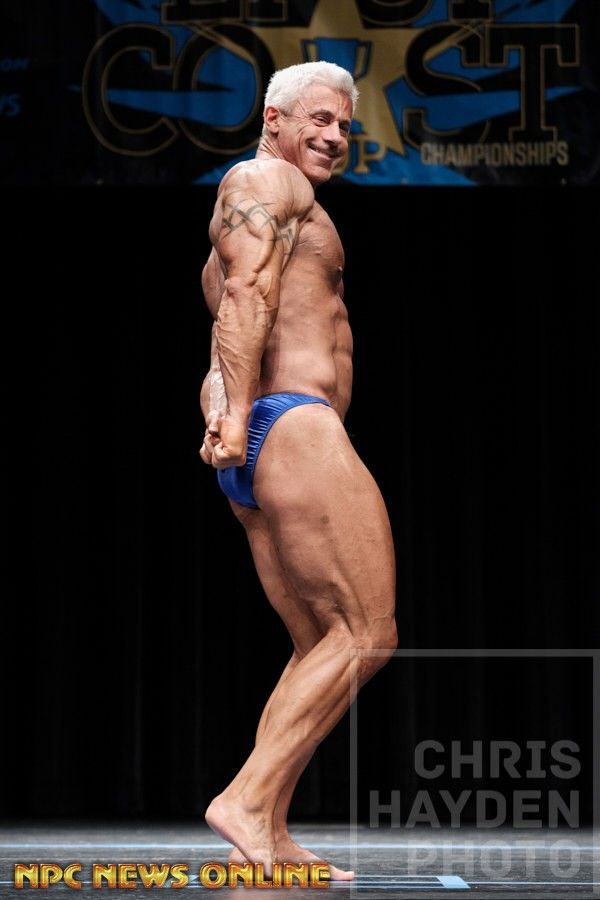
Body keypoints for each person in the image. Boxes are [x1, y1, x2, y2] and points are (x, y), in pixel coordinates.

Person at [199, 60, 397, 880]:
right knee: (368, 633)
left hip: (264, 436)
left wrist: (223, 408)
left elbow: (229, 322)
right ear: (273, 118)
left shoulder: (264, 205)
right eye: (320, 119)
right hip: (294, 426)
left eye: (345, 125)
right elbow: (246, 295)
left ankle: (269, 830)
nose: (335, 136)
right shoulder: (265, 182)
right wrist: (242, 412)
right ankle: (245, 799)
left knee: (318, 642)